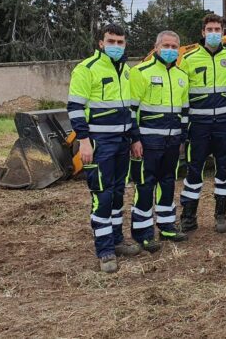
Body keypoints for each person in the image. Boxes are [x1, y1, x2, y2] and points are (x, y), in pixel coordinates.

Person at [67, 23, 140, 273]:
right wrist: (84, 142)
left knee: (119, 192)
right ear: (101, 43)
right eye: (111, 41)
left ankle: (117, 240)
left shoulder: (126, 72)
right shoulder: (86, 69)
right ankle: (105, 249)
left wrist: (134, 138)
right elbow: (75, 109)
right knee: (103, 195)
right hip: (99, 144)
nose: (116, 46)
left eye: (120, 42)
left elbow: (129, 110)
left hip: (121, 143)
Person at [128, 30, 190, 252]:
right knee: (145, 187)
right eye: (166, 45)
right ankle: (143, 233)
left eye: (174, 46)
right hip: (147, 143)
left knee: (167, 183)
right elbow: (131, 110)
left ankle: (166, 226)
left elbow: (184, 112)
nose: (170, 50)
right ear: (156, 47)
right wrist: (135, 139)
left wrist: (182, 138)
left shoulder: (182, 76)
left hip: (172, 143)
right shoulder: (140, 72)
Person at [178, 14, 226, 234]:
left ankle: (221, 215)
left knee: (225, 169)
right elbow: (181, 93)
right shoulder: (189, 59)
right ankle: (188, 217)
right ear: (203, 33)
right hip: (199, 126)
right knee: (194, 171)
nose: (214, 33)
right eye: (210, 29)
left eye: (218, 29)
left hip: (223, 125)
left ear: (222, 32)